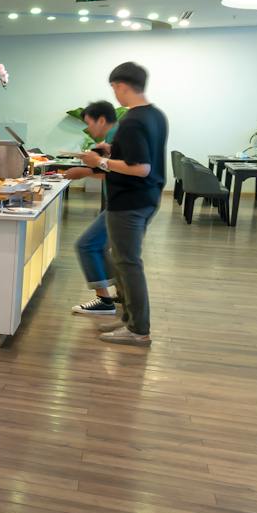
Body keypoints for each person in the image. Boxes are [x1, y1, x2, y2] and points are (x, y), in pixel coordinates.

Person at [82, 62, 167, 346]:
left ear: (121, 85)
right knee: (124, 260)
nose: (115, 94)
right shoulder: (155, 115)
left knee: (128, 263)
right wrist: (112, 149)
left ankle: (138, 328)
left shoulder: (132, 120)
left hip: (128, 201)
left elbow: (140, 167)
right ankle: (130, 320)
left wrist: (100, 161)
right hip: (147, 198)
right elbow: (143, 157)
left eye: (114, 88)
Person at [55, 101, 118, 316]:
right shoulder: (111, 138)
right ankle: (119, 294)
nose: (88, 128)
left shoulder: (115, 136)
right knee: (102, 247)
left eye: (89, 123)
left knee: (87, 245)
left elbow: (114, 170)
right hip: (121, 203)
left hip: (122, 205)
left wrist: (83, 172)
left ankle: (104, 300)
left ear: (101, 120)